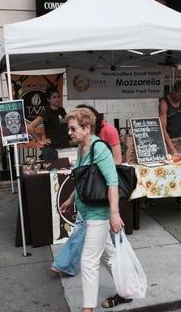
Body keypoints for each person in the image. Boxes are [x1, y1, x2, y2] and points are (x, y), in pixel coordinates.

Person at [59, 108, 129, 311]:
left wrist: (114, 214)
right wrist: (71, 199)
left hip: (98, 214)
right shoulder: (82, 148)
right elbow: (83, 180)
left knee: (88, 262)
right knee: (109, 257)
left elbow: (112, 182)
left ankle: (87, 309)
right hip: (87, 211)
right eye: (69, 129)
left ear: (87, 128)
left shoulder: (99, 148)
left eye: (73, 129)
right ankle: (128, 287)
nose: (69, 132)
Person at [159, 80, 181, 212]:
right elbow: (162, 128)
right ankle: (153, 198)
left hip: (180, 139)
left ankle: (180, 200)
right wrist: (172, 149)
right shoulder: (164, 103)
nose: (180, 98)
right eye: (179, 95)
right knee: (166, 171)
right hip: (168, 140)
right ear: (173, 91)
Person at [27, 88, 70, 161]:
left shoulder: (61, 110)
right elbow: (30, 128)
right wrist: (40, 141)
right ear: (48, 99)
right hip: (52, 149)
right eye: (54, 97)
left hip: (64, 147)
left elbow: (65, 124)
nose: (57, 99)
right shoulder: (47, 112)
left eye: (58, 97)